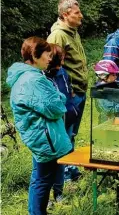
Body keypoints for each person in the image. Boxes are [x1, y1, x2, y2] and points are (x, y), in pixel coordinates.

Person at [7, 37, 73, 215]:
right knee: (43, 180)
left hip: (40, 134)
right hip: (44, 137)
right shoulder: (33, 80)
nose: (50, 59)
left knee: (41, 177)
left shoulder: (30, 76)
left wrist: (57, 97)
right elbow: (57, 107)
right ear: (35, 56)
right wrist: (60, 97)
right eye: (46, 54)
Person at [47, 0, 86, 180]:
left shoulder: (73, 32)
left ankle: (71, 170)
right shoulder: (58, 36)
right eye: (76, 13)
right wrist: (64, 92)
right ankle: (64, 177)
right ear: (65, 14)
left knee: (72, 134)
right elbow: (50, 67)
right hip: (69, 95)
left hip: (80, 91)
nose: (81, 16)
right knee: (65, 135)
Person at [43, 44, 79, 206]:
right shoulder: (42, 78)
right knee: (49, 163)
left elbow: (69, 92)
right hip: (52, 128)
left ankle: (58, 193)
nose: (63, 62)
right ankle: (47, 198)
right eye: (61, 59)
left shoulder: (63, 73)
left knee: (61, 160)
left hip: (68, 122)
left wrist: (73, 111)